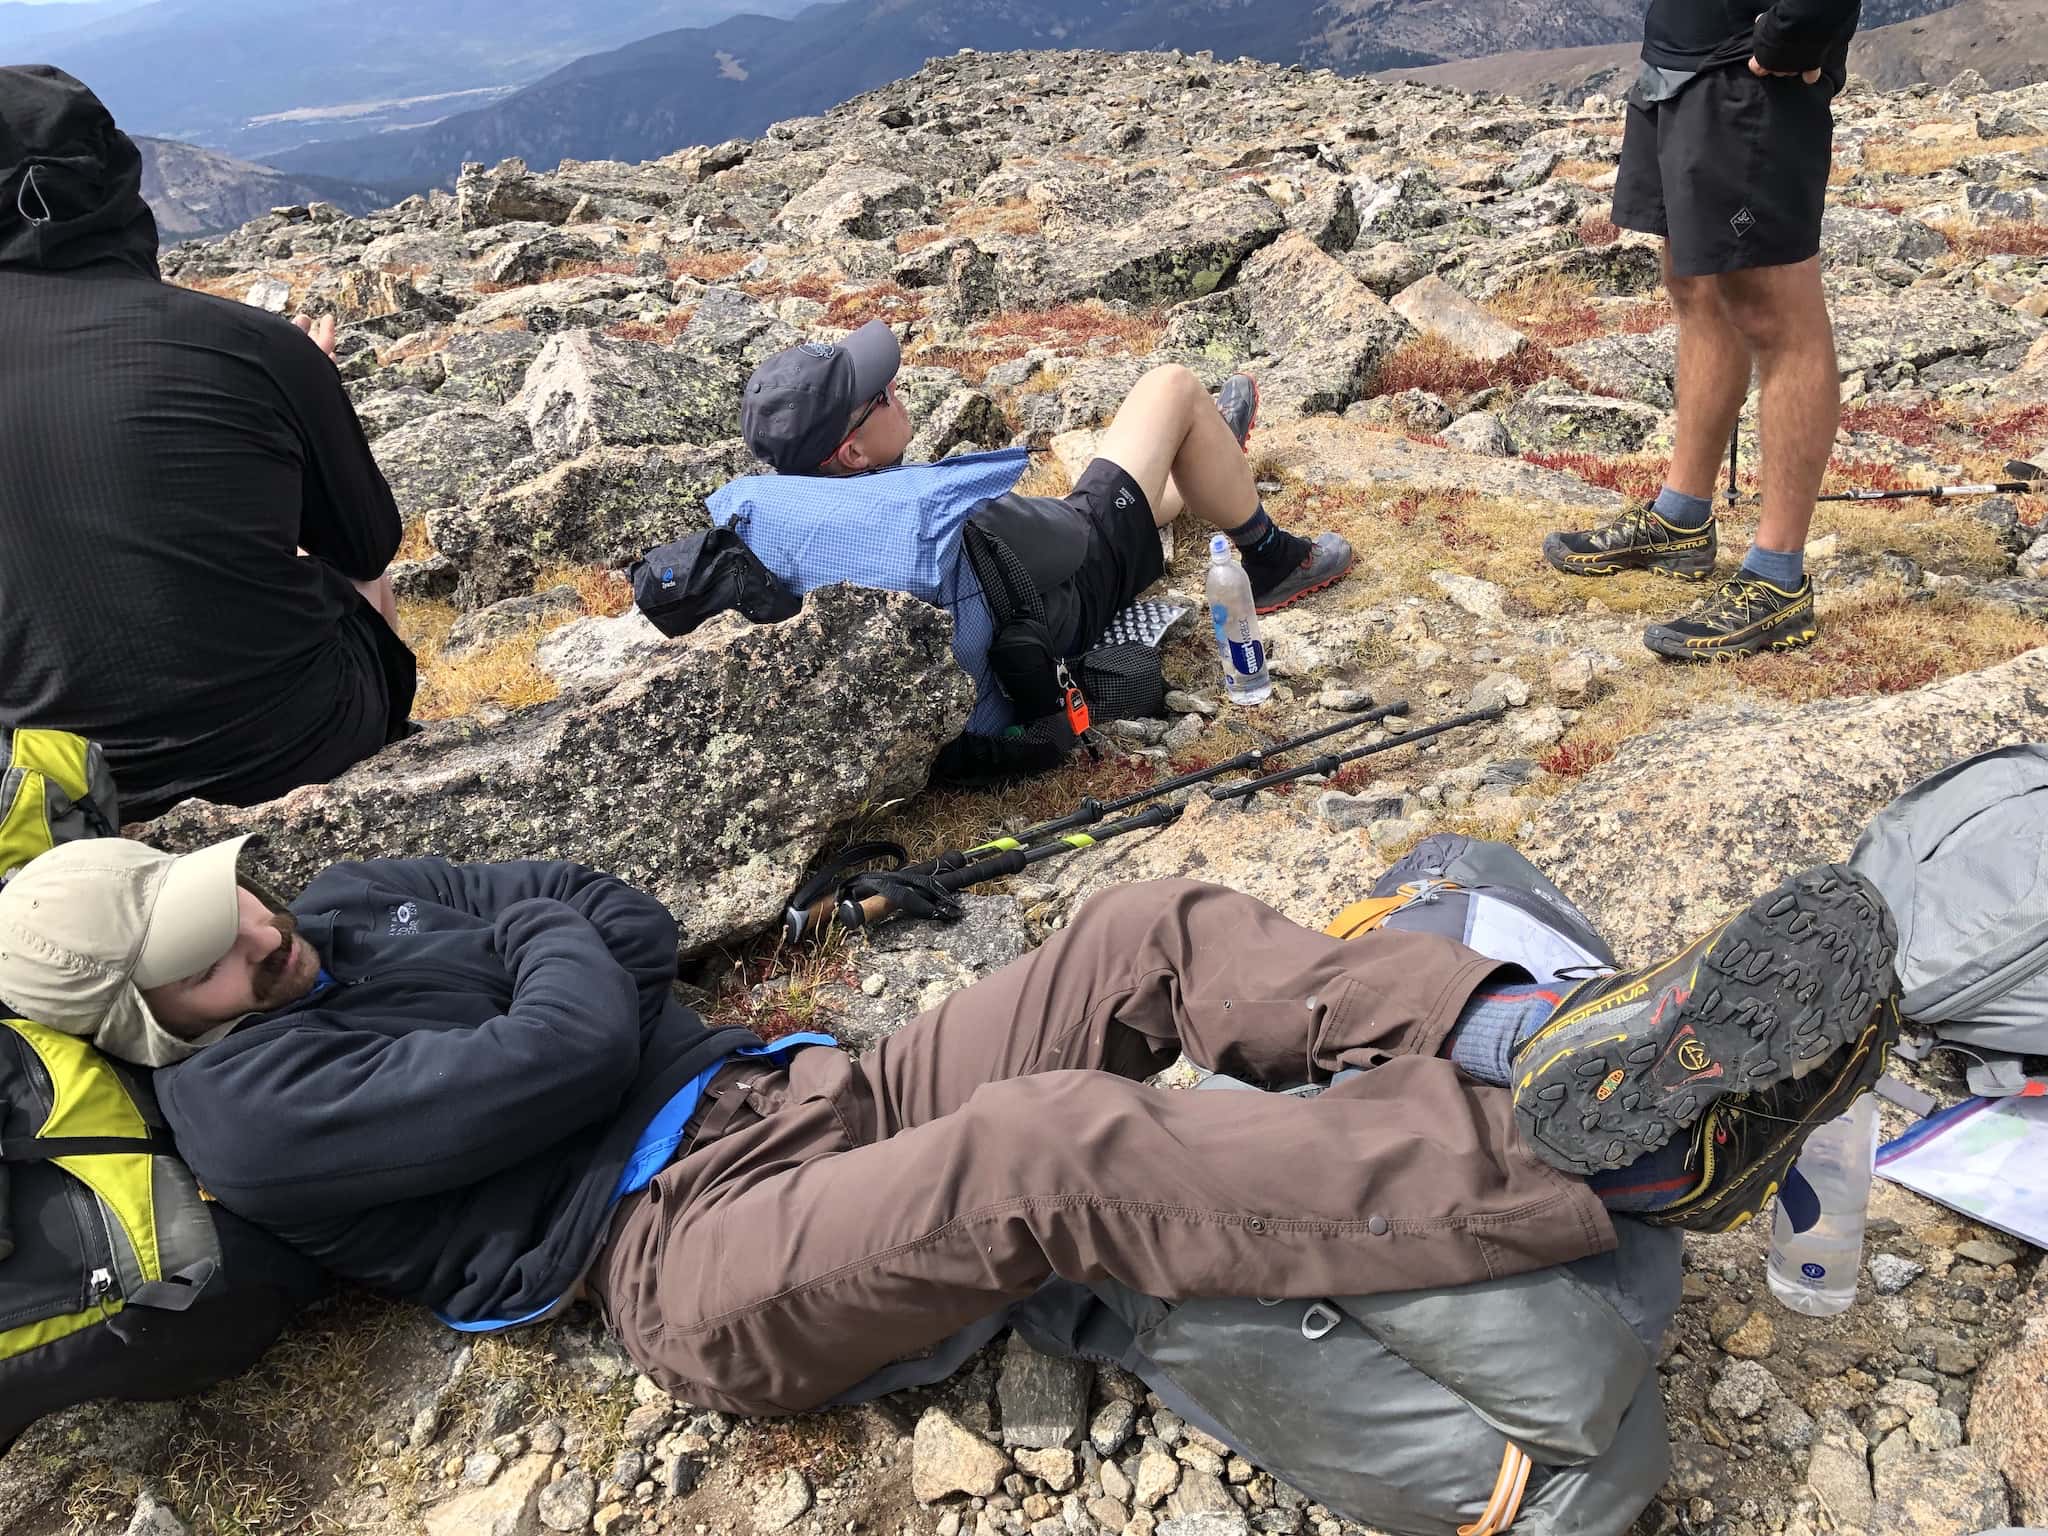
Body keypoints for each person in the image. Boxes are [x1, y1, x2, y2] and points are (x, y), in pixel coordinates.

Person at [0, 833, 1896, 1416]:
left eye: (224, 894)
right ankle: (1621, 1160)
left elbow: (612, 914)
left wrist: (546, 956)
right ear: (137, 1024)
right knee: (1050, 1146)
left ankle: (1546, 1038)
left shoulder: (322, 916)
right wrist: (547, 962)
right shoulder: (257, 1119)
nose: (256, 929)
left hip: (801, 1086)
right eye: (210, 955)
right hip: (680, 1258)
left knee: (1139, 927)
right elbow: (570, 1032)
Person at [0, 67, 414, 822]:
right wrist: (300, 394)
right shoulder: (252, 344)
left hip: (52, 797)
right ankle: (383, 780)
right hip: (291, 749)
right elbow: (367, 548)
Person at [717, 321, 1353, 778]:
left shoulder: (782, 527)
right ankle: (1270, 554)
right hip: (1069, 598)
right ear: (852, 453)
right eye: (880, 394)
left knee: (1138, 487)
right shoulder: (936, 512)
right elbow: (1071, 539)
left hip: (990, 665)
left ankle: (1203, 452)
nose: (895, 388)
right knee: (1171, 388)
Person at [1542, 0, 1859, 659]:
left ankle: (1778, 580)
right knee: (1695, 284)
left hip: (1749, 69)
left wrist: (1799, 31)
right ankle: (1680, 518)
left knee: (1776, 315)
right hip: (1678, 60)